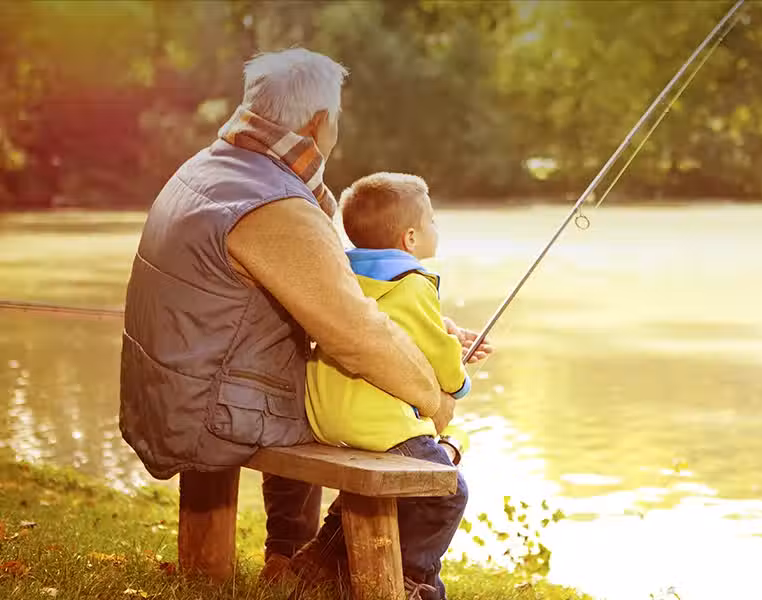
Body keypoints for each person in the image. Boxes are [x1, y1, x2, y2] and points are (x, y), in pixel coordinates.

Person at [118, 47, 489, 582]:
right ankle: (344, 571)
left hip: (167, 392)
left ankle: (294, 560)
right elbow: (357, 335)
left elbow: (335, 298)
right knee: (385, 428)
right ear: (319, 123)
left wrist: (435, 330)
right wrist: (433, 399)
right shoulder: (276, 205)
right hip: (209, 411)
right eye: (335, 117)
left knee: (329, 388)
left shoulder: (207, 170)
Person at [295, 172, 472, 600]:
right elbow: (441, 360)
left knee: (376, 489)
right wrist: (461, 380)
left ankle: (318, 563)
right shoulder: (414, 284)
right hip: (377, 427)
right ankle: (411, 578)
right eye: (431, 221)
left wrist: (443, 332)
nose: (436, 228)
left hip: (324, 418)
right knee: (447, 492)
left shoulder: (341, 275)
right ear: (410, 238)